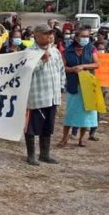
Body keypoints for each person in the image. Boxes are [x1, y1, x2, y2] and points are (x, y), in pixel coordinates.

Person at [24, 23, 65, 166]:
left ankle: (44, 154)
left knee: (48, 126)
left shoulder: (55, 51)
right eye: (46, 34)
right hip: (36, 97)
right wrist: (42, 60)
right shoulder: (30, 52)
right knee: (32, 127)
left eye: (50, 33)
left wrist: (61, 86)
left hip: (52, 96)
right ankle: (31, 155)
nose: (49, 36)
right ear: (36, 35)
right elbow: (26, 71)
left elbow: (61, 69)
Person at [60, 28, 100, 147]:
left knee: (87, 112)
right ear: (76, 37)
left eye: (87, 36)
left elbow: (97, 64)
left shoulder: (91, 49)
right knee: (71, 112)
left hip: (88, 84)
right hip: (73, 84)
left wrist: (83, 66)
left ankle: (82, 139)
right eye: (82, 36)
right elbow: (63, 67)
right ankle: (65, 137)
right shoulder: (67, 51)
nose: (85, 38)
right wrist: (73, 69)